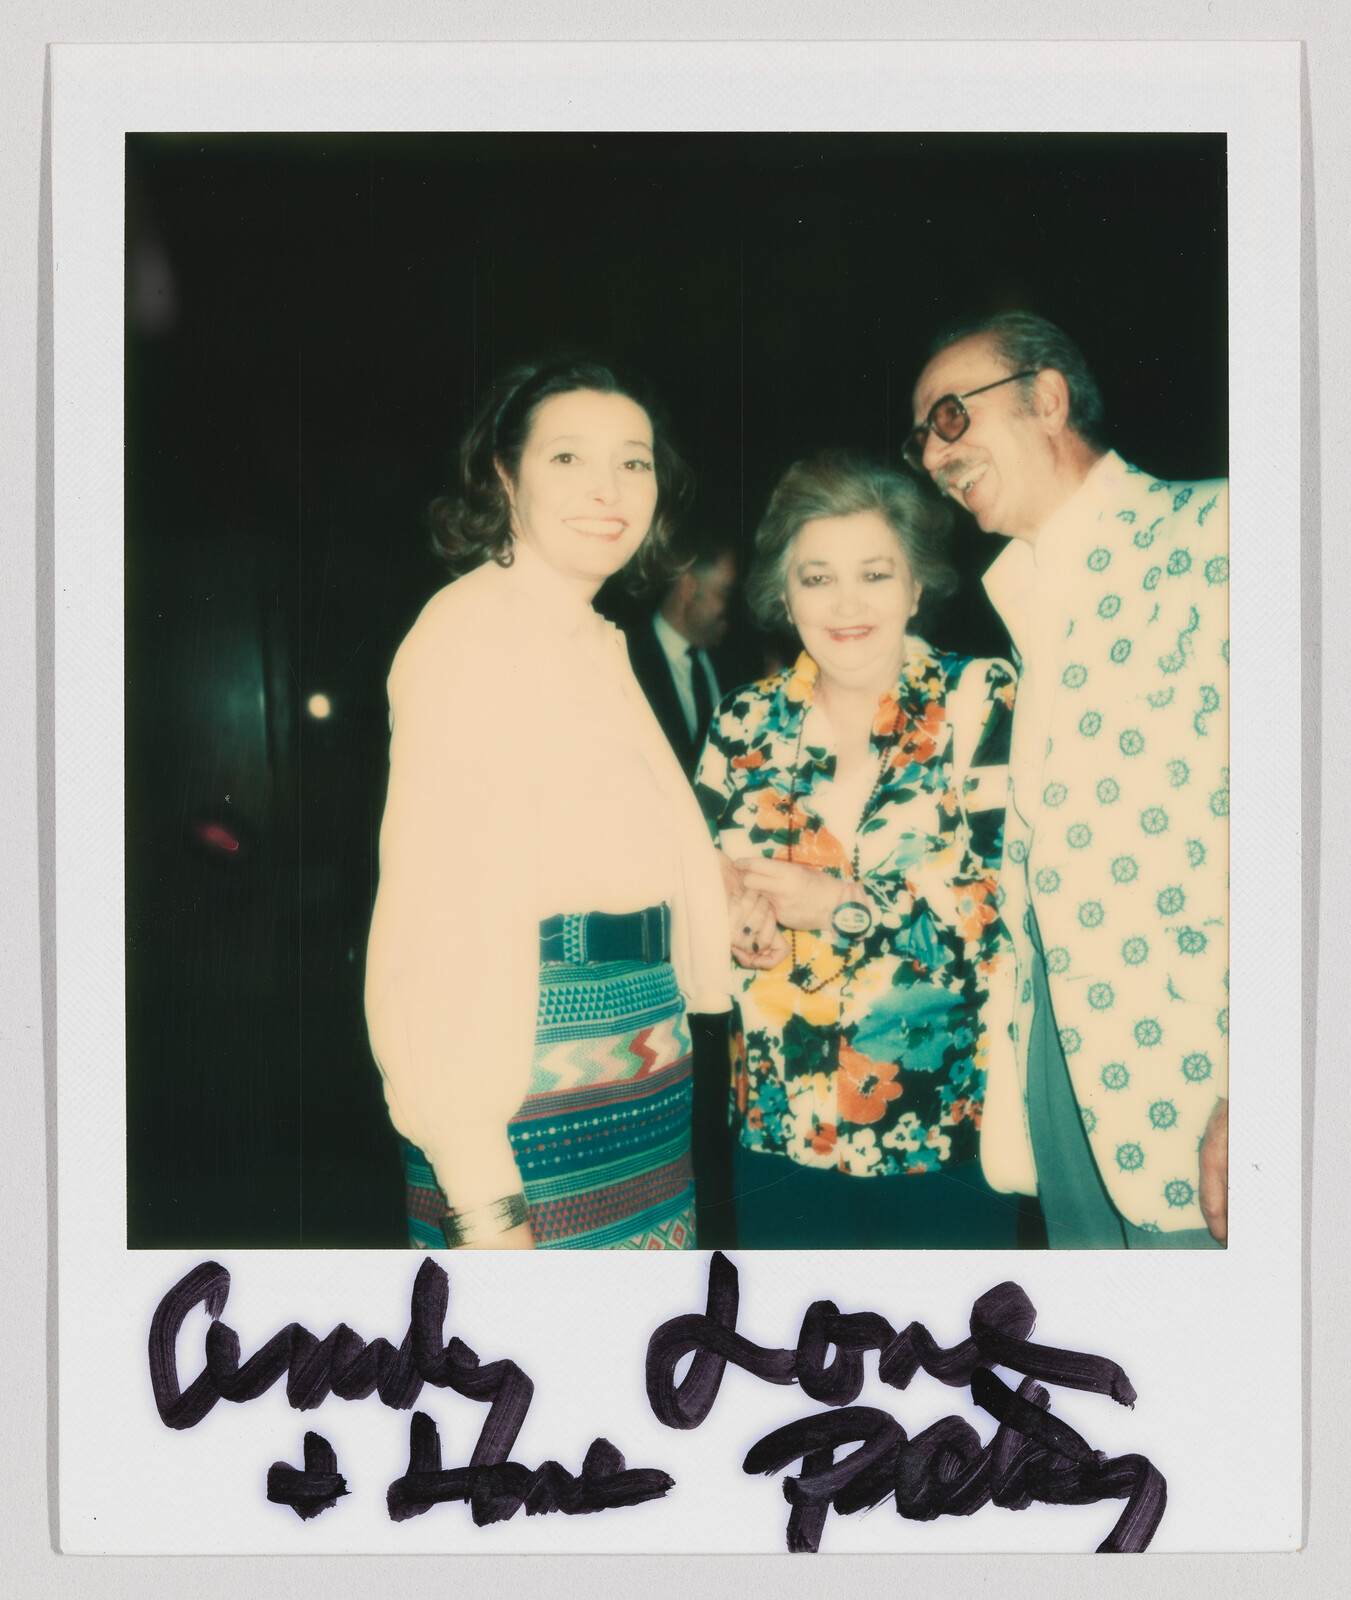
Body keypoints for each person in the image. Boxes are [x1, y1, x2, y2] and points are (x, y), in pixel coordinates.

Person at [365, 355, 763, 1251]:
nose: (608, 489)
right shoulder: (470, 632)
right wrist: (480, 1193)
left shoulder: (586, 636)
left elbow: (607, 853)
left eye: (633, 460)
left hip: (637, 1075)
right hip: (529, 1095)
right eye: (567, 459)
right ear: (503, 475)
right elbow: (436, 924)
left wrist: (717, 896)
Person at [906, 311, 1229, 1248]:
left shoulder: (1218, 536)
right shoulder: (1023, 605)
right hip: (1056, 1062)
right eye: (920, 432)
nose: (932, 453)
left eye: (951, 417)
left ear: (1047, 398)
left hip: (1192, 1077)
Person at [695, 452, 1022, 1249]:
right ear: (782, 592)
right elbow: (699, 875)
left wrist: (846, 907)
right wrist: (733, 918)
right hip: (777, 1132)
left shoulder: (983, 698)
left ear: (916, 586)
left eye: (874, 574)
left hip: (945, 1130)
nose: (845, 603)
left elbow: (1011, 904)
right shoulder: (739, 724)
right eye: (816, 578)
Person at [625, 537, 738, 779]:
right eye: (723, 593)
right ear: (688, 586)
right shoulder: (625, 661)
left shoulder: (734, 662)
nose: (727, 609)